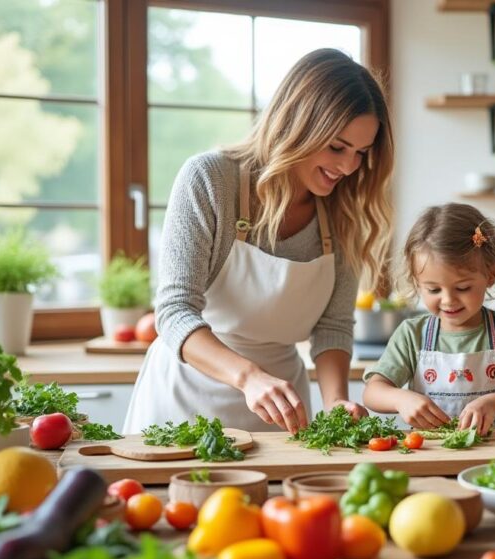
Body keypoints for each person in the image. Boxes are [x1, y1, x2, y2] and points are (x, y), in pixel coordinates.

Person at [123, 48, 394, 434]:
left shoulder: (344, 211)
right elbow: (174, 311)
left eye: (360, 153)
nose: (349, 167)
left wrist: (335, 401)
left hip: (282, 412)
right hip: (183, 404)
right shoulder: (211, 179)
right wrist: (249, 377)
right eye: (337, 147)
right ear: (297, 125)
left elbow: (333, 327)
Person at [363, 203, 495, 434]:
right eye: (434, 290)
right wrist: (400, 399)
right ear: (416, 282)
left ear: (491, 274)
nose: (448, 300)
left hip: (494, 449)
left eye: (462, 288)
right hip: (428, 450)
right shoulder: (412, 333)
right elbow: (372, 392)